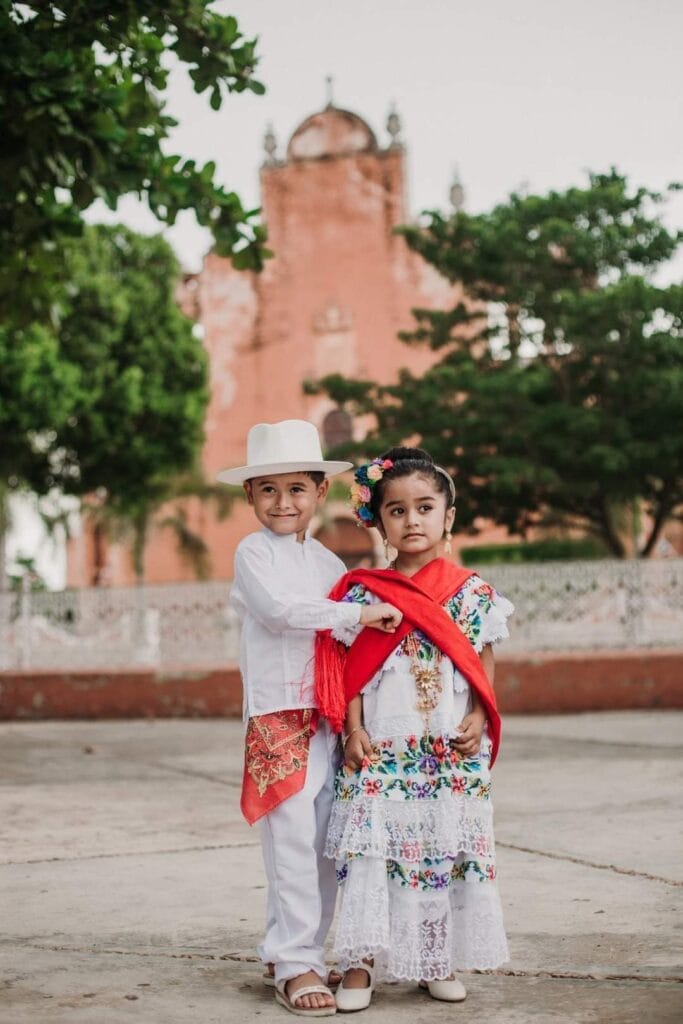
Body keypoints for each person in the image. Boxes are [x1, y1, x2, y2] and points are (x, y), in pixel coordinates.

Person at [315, 446, 513, 1012]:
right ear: (379, 522)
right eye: (397, 511)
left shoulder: (471, 593)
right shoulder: (363, 593)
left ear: (448, 516)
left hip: (447, 744)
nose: (412, 521)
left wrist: (480, 713)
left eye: (425, 508)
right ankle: (360, 964)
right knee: (373, 853)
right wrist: (352, 729)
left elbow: (482, 660)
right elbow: (350, 670)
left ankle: (435, 959)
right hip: (381, 744)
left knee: (439, 851)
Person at [220, 420, 402, 1017]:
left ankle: (294, 951)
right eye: (268, 490)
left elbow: (345, 637)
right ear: (250, 495)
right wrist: (356, 614)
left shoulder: (327, 562)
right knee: (291, 842)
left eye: (297, 488)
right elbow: (279, 611)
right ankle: (295, 963)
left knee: (325, 843)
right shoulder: (253, 554)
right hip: (278, 716)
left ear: (321, 492)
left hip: (326, 716)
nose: (283, 502)